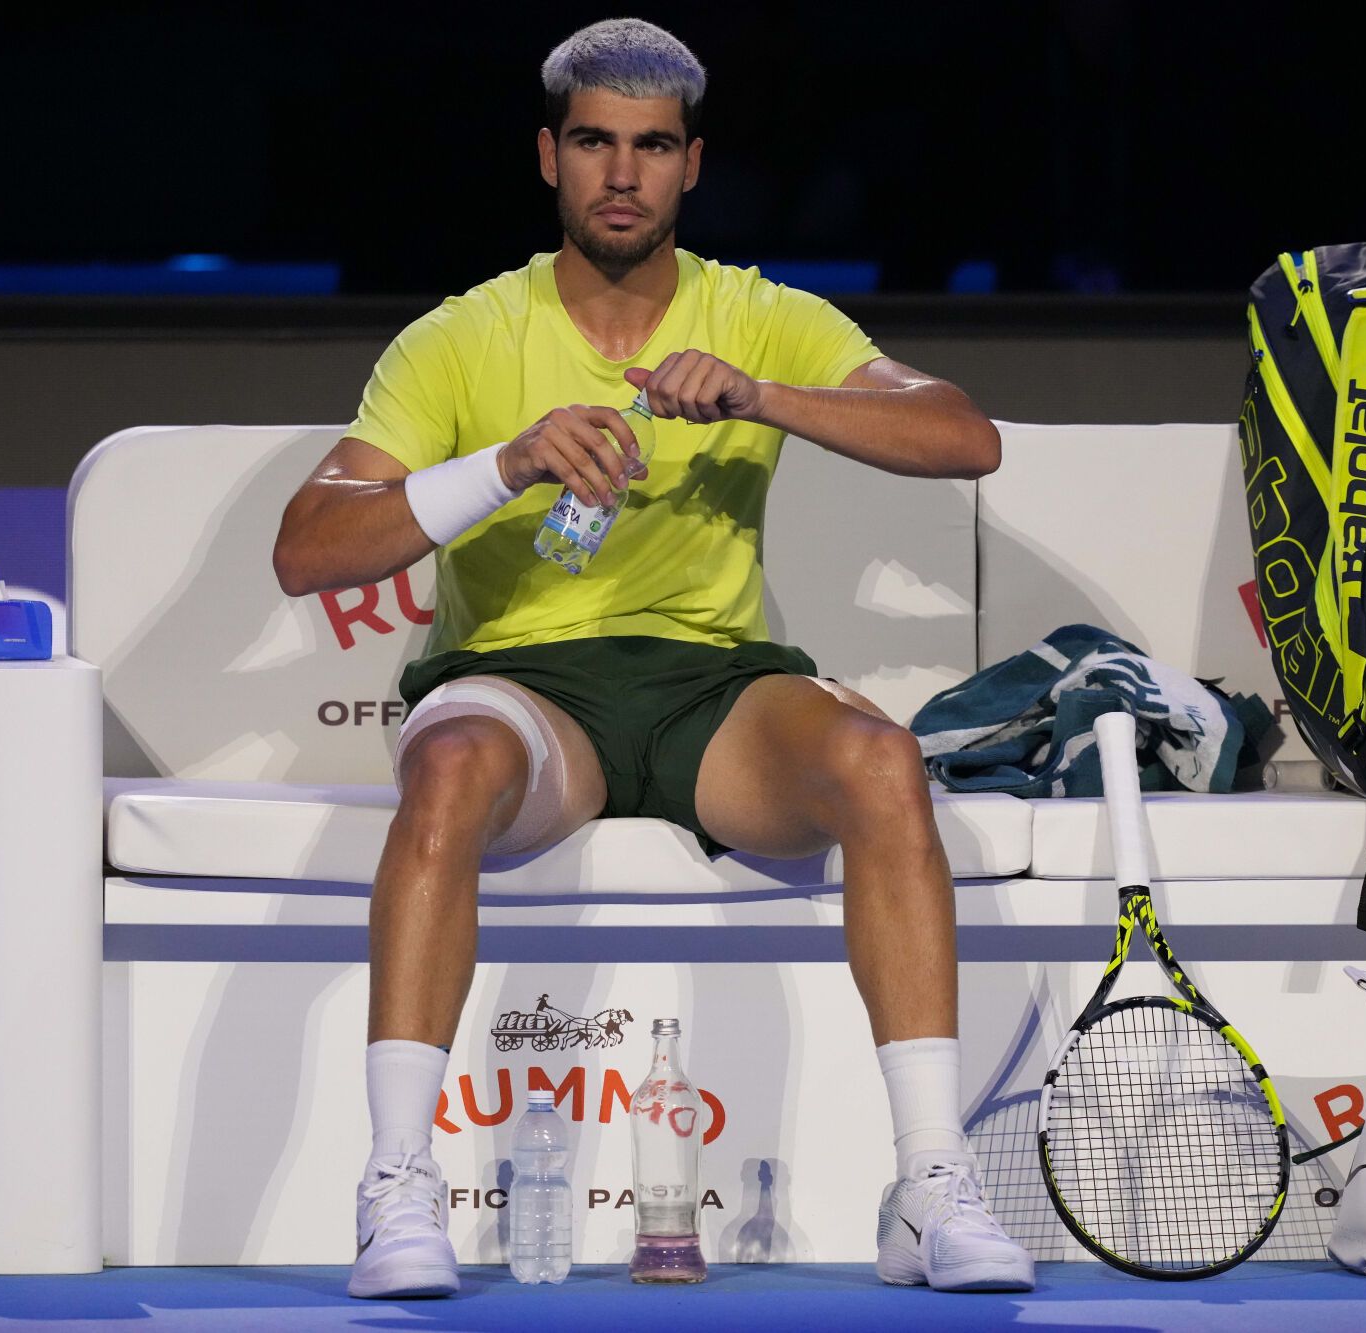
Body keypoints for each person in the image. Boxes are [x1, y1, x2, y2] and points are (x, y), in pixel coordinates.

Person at [272, 17, 1032, 1299]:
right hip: (525, 696)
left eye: (651, 147)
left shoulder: (759, 316)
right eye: (592, 143)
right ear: (547, 156)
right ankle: (397, 1184)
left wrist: (758, 395)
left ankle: (929, 1183)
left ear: (691, 163)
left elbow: (964, 437)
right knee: (445, 766)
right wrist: (505, 463)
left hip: (712, 693)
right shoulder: (460, 337)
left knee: (878, 759)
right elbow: (308, 547)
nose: (620, 174)